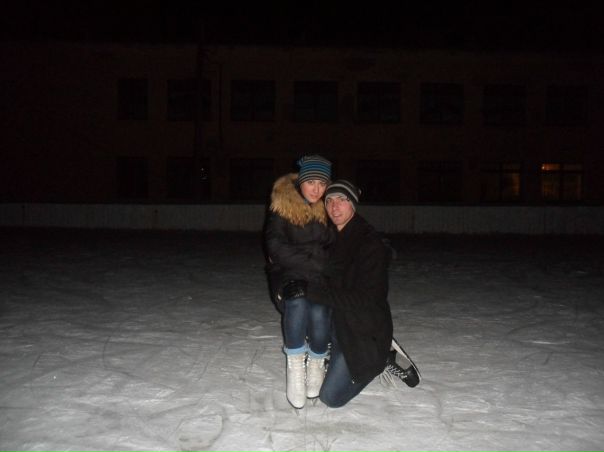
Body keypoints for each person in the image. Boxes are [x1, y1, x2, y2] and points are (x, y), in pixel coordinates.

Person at [305, 179, 395, 407]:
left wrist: (313, 292)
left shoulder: (370, 245)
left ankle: (383, 358)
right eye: (329, 201)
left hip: (363, 328)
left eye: (342, 200)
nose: (334, 207)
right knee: (304, 304)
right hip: (337, 321)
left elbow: (365, 299)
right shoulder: (328, 239)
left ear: (353, 204)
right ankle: (328, 351)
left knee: (330, 397)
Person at [264, 155, 335, 409]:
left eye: (322, 184)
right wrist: (316, 262)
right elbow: (275, 248)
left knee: (319, 310)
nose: (316, 189)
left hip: (319, 277)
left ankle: (316, 364)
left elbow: (340, 243)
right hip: (288, 275)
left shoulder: (329, 208)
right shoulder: (282, 206)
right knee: (298, 302)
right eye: (311, 182)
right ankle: (295, 368)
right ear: (301, 181)